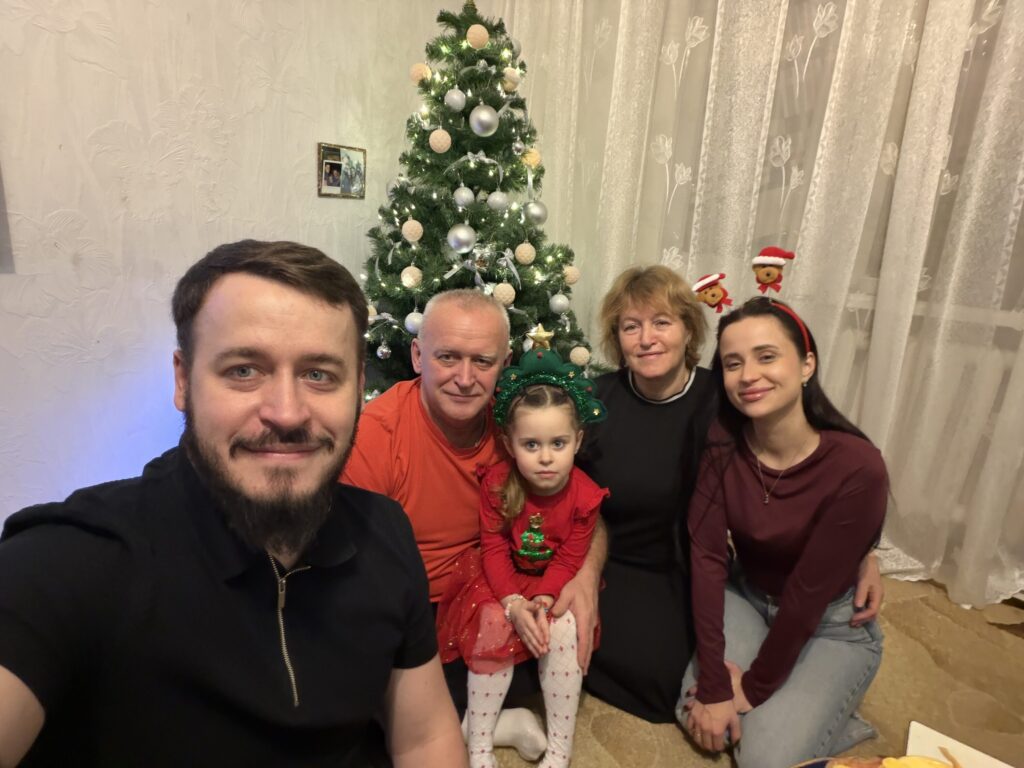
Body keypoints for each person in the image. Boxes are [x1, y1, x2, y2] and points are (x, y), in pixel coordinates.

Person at [0, 240, 464, 767]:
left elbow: (425, 738)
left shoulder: (385, 532)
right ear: (183, 380)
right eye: (244, 370)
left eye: (319, 374)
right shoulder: (71, 561)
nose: (287, 413)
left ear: (358, 388)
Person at [577, 266, 884, 724]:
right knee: (564, 640)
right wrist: (581, 571)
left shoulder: (725, 398)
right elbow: (565, 492)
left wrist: (862, 553)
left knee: (667, 684)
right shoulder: (594, 400)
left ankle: (815, 698)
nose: (646, 339)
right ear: (616, 338)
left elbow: (805, 467)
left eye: (661, 322)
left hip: (683, 566)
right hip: (608, 556)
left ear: (688, 330)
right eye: (630, 326)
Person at [342, 289, 605, 760]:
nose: (464, 379)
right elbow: (353, 571)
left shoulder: (521, 426)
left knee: (575, 643)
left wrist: (585, 575)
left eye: (482, 361)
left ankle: (474, 715)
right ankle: (494, 724)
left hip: (503, 593)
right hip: (414, 609)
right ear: (417, 356)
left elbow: (582, 508)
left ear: (505, 363)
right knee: (368, 701)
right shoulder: (377, 436)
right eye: (447, 357)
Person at [679, 296, 887, 768]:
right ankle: (801, 714)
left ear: (807, 364)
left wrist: (752, 690)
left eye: (766, 356)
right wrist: (715, 687)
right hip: (748, 596)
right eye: (733, 363)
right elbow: (707, 559)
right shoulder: (721, 442)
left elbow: (807, 596)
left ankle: (823, 714)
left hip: (832, 623)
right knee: (700, 712)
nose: (748, 375)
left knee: (762, 759)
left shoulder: (858, 466)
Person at [436, 347, 609, 768]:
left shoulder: (586, 497)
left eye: (558, 443)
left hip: (553, 581)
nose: (546, 457)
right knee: (492, 623)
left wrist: (545, 600)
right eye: (532, 444)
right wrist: (513, 603)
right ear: (510, 444)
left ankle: (560, 750)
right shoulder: (498, 483)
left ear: (577, 441)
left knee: (564, 629)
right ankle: (479, 746)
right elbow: (494, 547)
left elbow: (570, 557)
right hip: (502, 578)